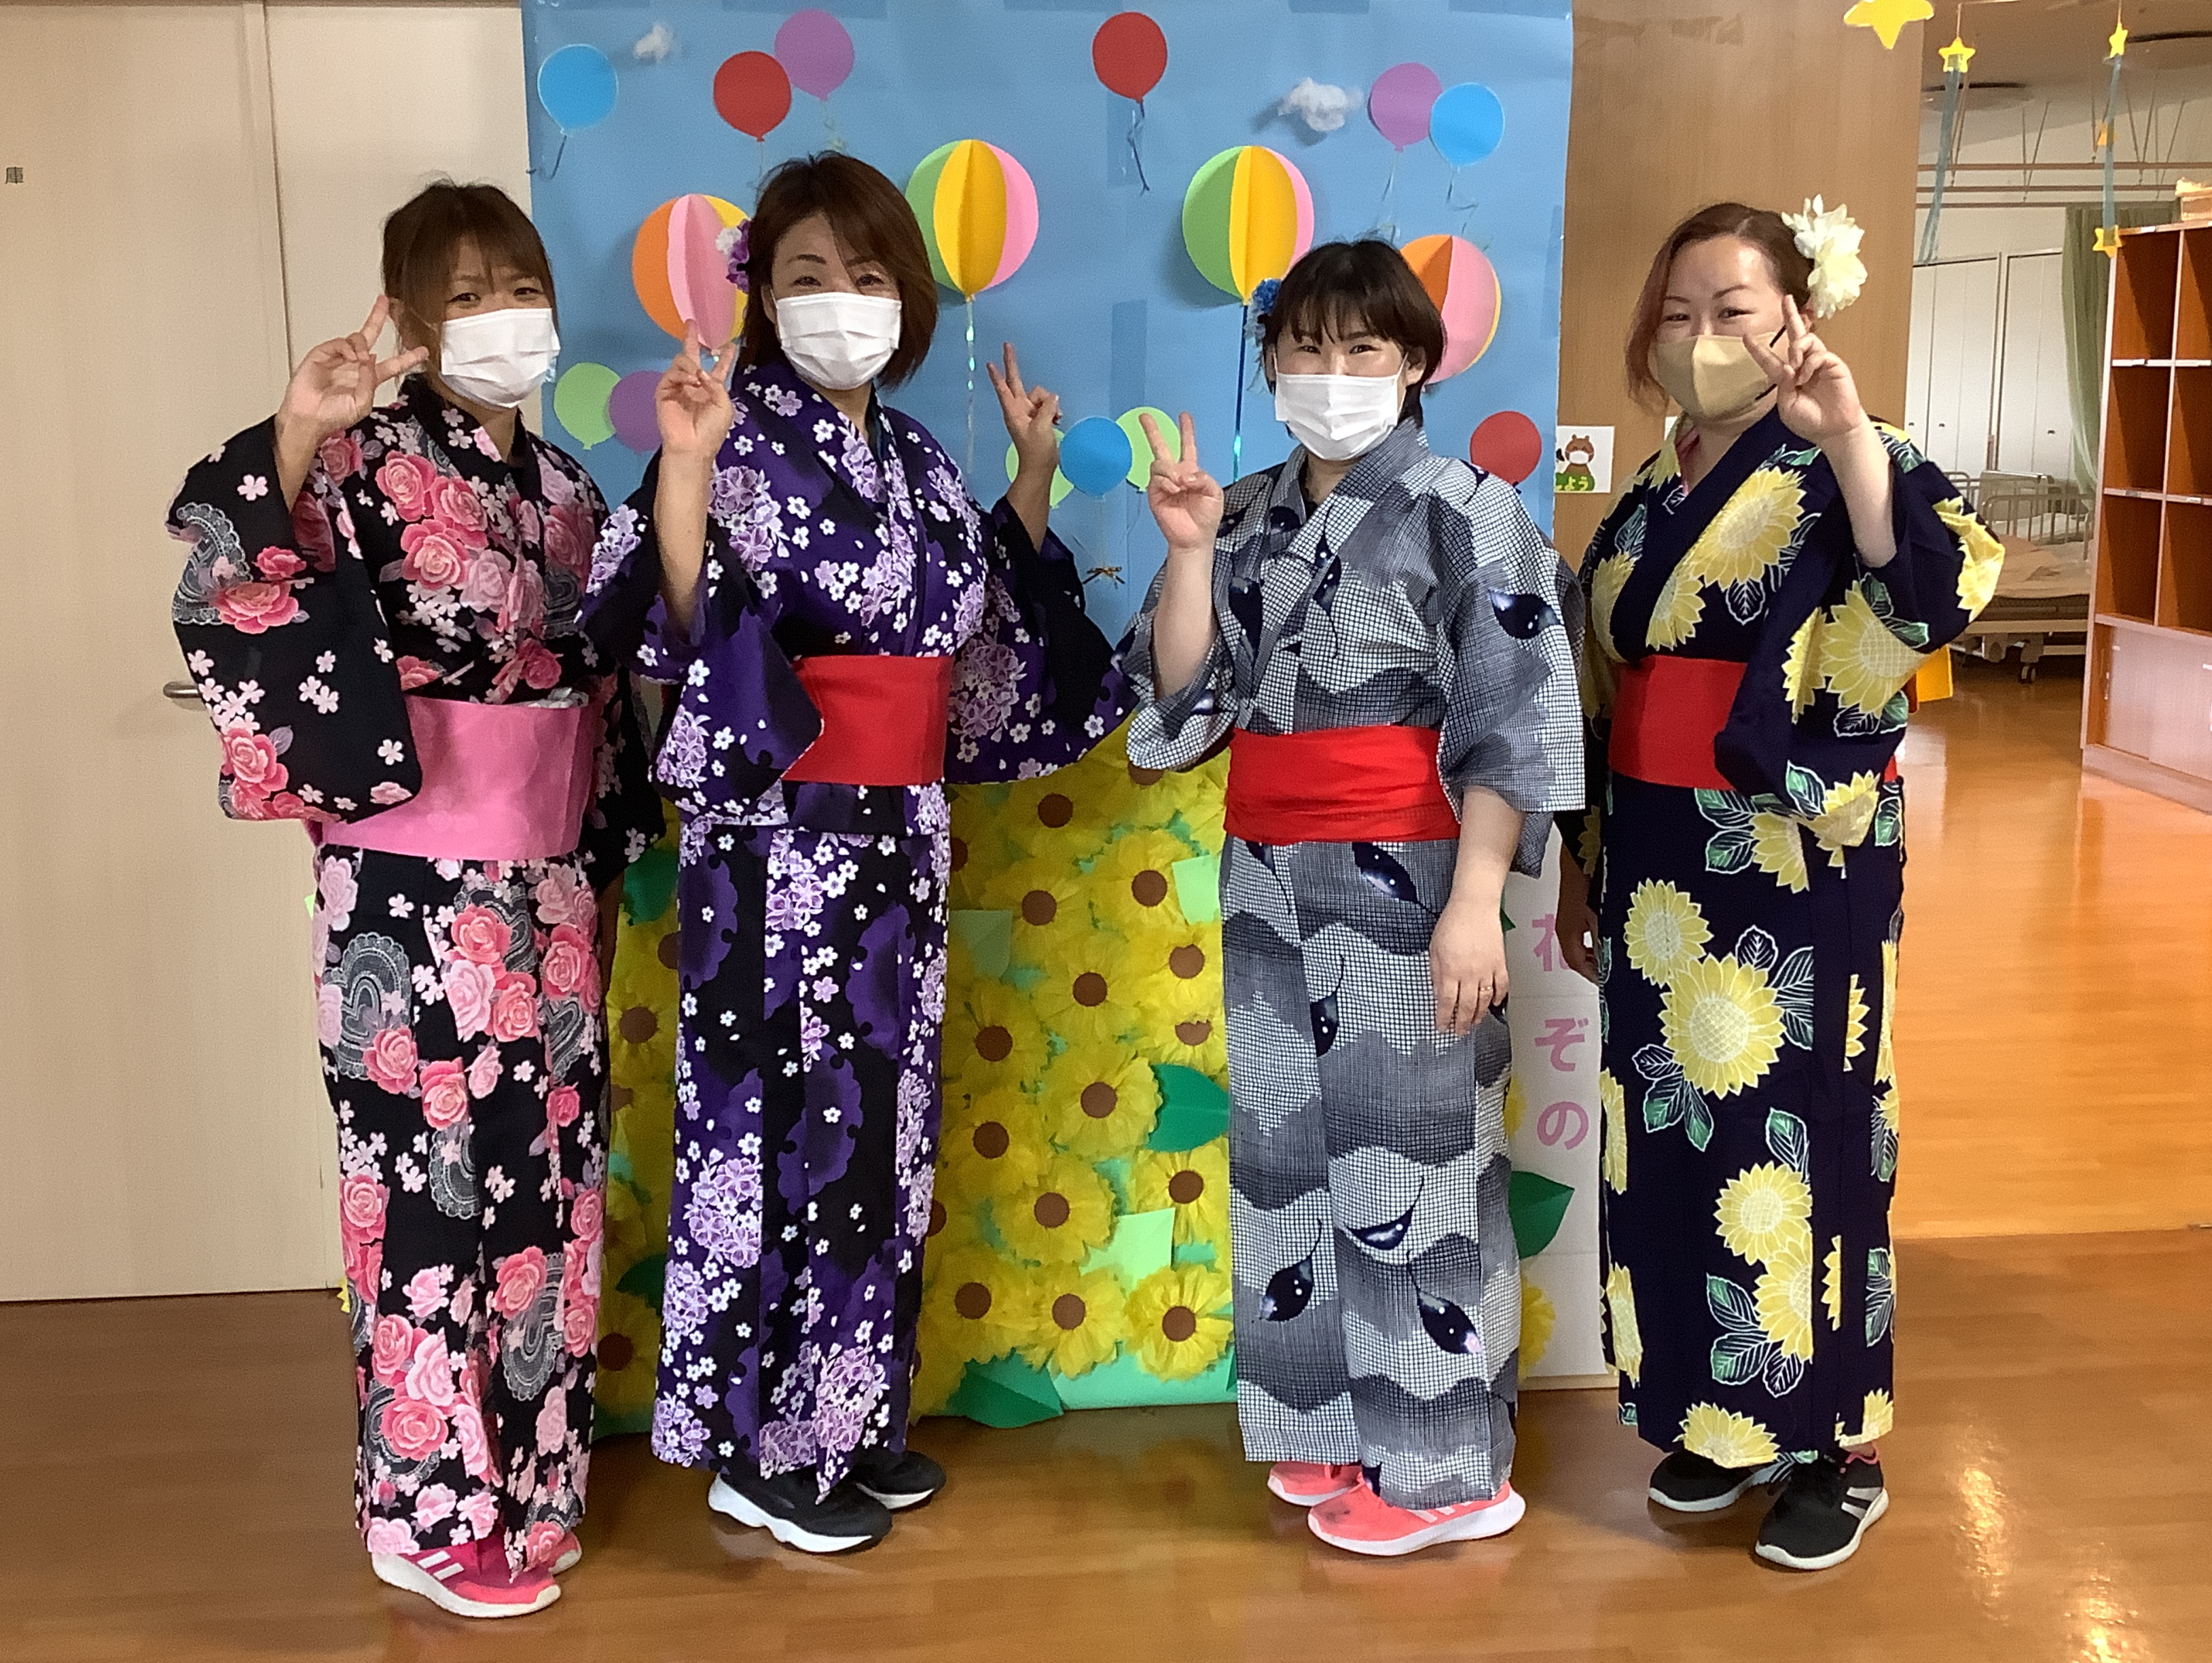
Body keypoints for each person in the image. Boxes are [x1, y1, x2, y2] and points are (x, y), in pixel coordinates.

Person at [583, 152, 1127, 1556]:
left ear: (909, 298)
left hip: (900, 842)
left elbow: (973, 629)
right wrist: (684, 469)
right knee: (778, 1132)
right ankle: (760, 1450)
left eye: (868, 275)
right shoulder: (728, 434)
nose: (841, 300)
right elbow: (671, 623)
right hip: (781, 840)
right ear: (762, 297)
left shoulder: (917, 456)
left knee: (878, 1131)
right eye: (807, 275)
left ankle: (848, 1415)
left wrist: (1033, 479)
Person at [166, 181, 662, 1619]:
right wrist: (297, 430)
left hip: (549, 889)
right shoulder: (360, 461)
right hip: (407, 889)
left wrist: (603, 856)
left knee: (550, 1177)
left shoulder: (566, 491)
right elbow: (233, 574)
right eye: (467, 294)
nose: (505, 316)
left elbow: (603, 694)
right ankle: (426, 1508)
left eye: (523, 286)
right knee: (425, 1187)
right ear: (413, 319)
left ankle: (535, 1486)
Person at [1554, 202, 2001, 1571]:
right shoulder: (1652, 491)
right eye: (1678, 314)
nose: (1700, 338)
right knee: (1678, 1142)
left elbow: (1929, 593)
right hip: (1659, 864)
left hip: (1789, 859)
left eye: (1733, 310)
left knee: (1803, 1140)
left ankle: (1836, 1445)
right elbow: (1602, 684)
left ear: (1797, 318)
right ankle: (1726, 1416)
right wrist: (1585, 865)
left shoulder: (1848, 456)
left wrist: (1850, 438)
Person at [1122, 240, 1582, 1558]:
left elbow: (1515, 716)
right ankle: (1327, 1416)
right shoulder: (1245, 509)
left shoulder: (1468, 510)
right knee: (1289, 1154)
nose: (1332, 373)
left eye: (1362, 348)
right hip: (1268, 874)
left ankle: (1444, 1470)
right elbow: (1185, 699)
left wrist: (1476, 899)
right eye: (1306, 348)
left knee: (1412, 1153)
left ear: (1416, 362)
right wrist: (1190, 554)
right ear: (1271, 365)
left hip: (1410, 876)